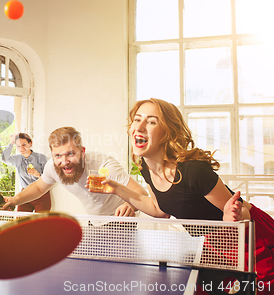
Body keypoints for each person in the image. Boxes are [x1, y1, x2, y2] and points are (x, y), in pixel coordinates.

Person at [94, 98, 274, 293]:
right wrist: (117, 188)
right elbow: (159, 209)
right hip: (214, 241)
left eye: (152, 121)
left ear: (167, 132)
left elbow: (243, 211)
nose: (141, 126)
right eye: (137, 119)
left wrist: (230, 219)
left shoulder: (193, 171)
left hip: (250, 236)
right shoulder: (145, 168)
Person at [2, 127, 148, 217]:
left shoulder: (104, 165)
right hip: (95, 220)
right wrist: (15, 200)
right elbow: (39, 187)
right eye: (58, 155)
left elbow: (141, 192)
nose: (64, 161)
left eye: (70, 154)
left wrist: (129, 206)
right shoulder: (52, 167)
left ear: (82, 151)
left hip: (120, 219)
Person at [1, 133, 50, 212]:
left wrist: (38, 175)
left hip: (42, 194)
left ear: (30, 144)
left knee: (41, 222)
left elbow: (49, 179)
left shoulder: (41, 157)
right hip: (24, 194)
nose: (21, 148)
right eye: (18, 146)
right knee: (21, 221)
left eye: (24, 144)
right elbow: (4, 159)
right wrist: (12, 141)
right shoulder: (17, 159)